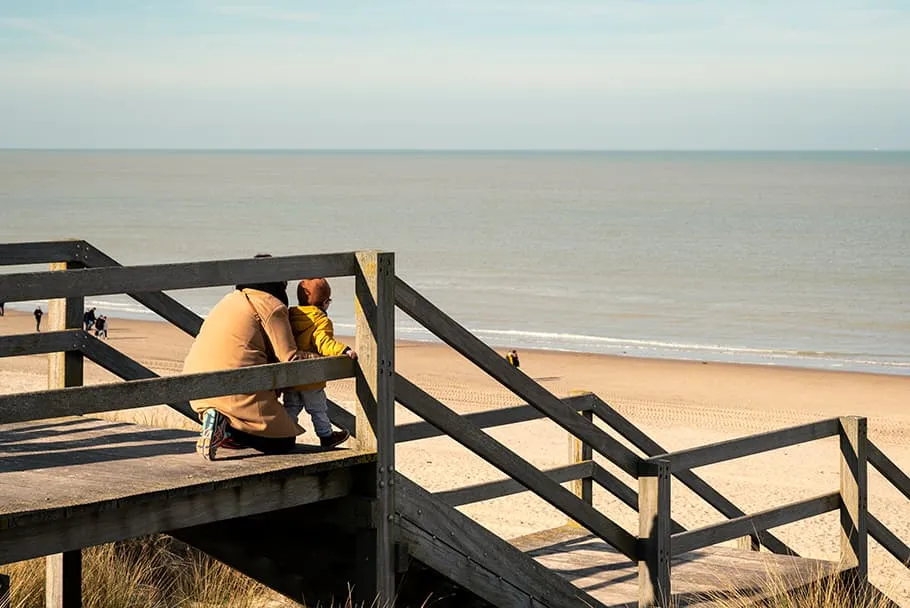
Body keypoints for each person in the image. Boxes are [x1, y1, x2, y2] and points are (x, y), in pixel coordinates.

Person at [183, 259, 307, 461]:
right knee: (284, 441)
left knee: (251, 425)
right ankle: (227, 428)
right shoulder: (271, 305)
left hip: (198, 392)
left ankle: (220, 427)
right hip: (235, 392)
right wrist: (326, 359)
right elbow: (290, 358)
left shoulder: (229, 300)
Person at [285, 278, 355, 449]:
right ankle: (326, 436)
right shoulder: (320, 320)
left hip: (290, 375)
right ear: (325, 302)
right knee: (318, 409)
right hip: (311, 377)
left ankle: (285, 436)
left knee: (291, 408)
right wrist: (343, 350)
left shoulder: (290, 316)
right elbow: (323, 343)